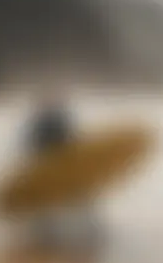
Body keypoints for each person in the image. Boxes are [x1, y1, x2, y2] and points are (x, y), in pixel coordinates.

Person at [22, 85, 104, 254]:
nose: (50, 102)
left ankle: (92, 232)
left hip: (62, 165)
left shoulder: (58, 119)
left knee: (80, 199)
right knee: (49, 204)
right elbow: (33, 146)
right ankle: (45, 236)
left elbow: (72, 141)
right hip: (48, 167)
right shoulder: (42, 121)